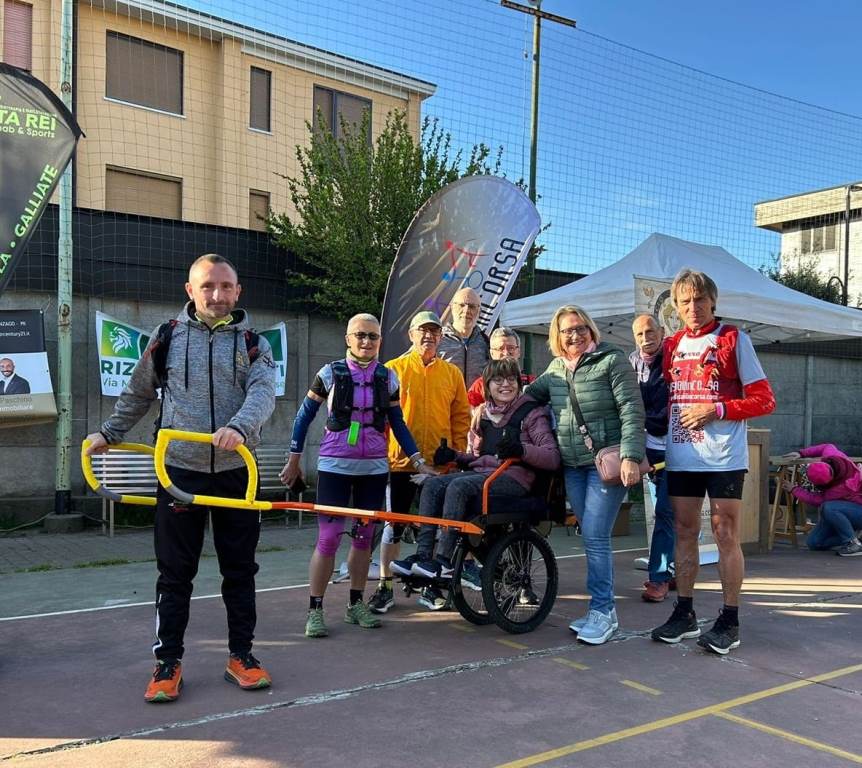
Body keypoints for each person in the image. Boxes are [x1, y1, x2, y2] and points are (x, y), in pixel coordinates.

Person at [84, 253, 277, 703]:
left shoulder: (254, 343)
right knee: (174, 575)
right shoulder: (167, 337)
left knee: (240, 571)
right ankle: (167, 663)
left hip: (236, 474)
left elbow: (263, 393)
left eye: (226, 287)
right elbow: (138, 391)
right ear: (190, 291)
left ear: (238, 292)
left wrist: (239, 428)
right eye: (208, 286)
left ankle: (241, 657)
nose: (217, 295)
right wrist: (109, 433)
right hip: (178, 474)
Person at [280, 313, 437, 638]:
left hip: (374, 470)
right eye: (360, 335)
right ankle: (315, 610)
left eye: (373, 336)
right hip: (335, 467)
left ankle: (355, 604)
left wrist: (419, 461)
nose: (366, 342)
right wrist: (294, 460)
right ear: (348, 339)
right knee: (328, 539)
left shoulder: (389, 378)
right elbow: (303, 417)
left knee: (365, 539)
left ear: (380, 340)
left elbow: (398, 423)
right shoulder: (329, 374)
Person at [651, 269, 776, 655]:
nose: (693, 308)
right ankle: (685, 612)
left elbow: (765, 399)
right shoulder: (671, 345)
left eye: (699, 299)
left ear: (713, 301)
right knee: (685, 533)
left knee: (724, 536)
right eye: (685, 301)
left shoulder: (734, 339)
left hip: (723, 458)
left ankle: (729, 620)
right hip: (682, 454)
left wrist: (717, 409)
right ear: (676, 306)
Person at [526, 305, 645, 645]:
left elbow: (632, 410)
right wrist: (485, 407)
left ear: (591, 330)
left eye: (580, 328)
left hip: (606, 464)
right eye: (567, 331)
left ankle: (604, 612)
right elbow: (526, 398)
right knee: (590, 535)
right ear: (557, 336)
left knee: (594, 534)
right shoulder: (554, 369)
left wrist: (631, 456)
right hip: (572, 466)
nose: (574, 335)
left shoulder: (612, 360)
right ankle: (599, 610)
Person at [394, 358, 560, 580]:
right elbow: (480, 459)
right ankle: (423, 556)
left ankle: (444, 561)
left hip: (515, 479)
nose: (505, 385)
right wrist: (455, 456)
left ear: (519, 384)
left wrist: (521, 449)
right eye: (498, 380)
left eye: (511, 379)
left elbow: (552, 457)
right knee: (433, 484)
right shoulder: (483, 416)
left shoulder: (532, 413)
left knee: (459, 486)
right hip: (486, 474)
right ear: (487, 386)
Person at [367, 310, 471, 613]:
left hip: (439, 467)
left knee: (437, 529)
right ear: (411, 334)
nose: (429, 336)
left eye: (434, 332)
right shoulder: (391, 370)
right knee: (393, 526)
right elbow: (378, 418)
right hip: (399, 464)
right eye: (422, 331)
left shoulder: (452, 374)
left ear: (441, 337)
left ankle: (432, 586)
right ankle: (385, 586)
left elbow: (461, 417)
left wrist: (454, 452)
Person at [630, 314, 675, 602]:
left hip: (675, 447)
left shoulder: (675, 356)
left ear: (661, 331)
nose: (646, 338)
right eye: (639, 334)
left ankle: (659, 577)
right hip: (643, 445)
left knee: (666, 512)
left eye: (650, 331)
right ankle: (667, 570)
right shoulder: (631, 361)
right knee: (666, 513)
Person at [781, 443, 862, 557]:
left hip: (857, 511)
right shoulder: (834, 457)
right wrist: (801, 453)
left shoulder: (839, 489)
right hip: (848, 509)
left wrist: (794, 489)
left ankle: (852, 543)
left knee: (828, 507)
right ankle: (856, 537)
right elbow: (826, 446)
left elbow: (816, 500)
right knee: (814, 543)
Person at [466, 327, 535, 408]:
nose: (506, 353)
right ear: (491, 353)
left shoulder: (531, 383)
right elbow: (467, 415)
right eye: (500, 349)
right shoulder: (480, 386)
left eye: (511, 348)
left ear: (518, 352)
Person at [437, 287, 490, 384]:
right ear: (452, 308)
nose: (466, 310)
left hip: (477, 399)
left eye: (472, 306)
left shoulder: (486, 342)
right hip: (445, 399)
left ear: (479, 312)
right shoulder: (437, 339)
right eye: (461, 305)